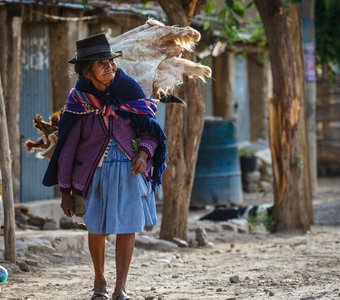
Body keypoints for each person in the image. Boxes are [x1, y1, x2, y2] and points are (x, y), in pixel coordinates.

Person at [42, 33, 168, 300]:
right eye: (102, 63)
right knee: (97, 229)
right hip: (93, 173)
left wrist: (144, 154)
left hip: (128, 171)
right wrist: (65, 190)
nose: (110, 66)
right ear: (88, 72)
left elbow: (150, 132)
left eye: (111, 61)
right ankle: (100, 281)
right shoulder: (78, 101)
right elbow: (67, 146)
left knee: (127, 228)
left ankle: (120, 287)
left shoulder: (130, 90)